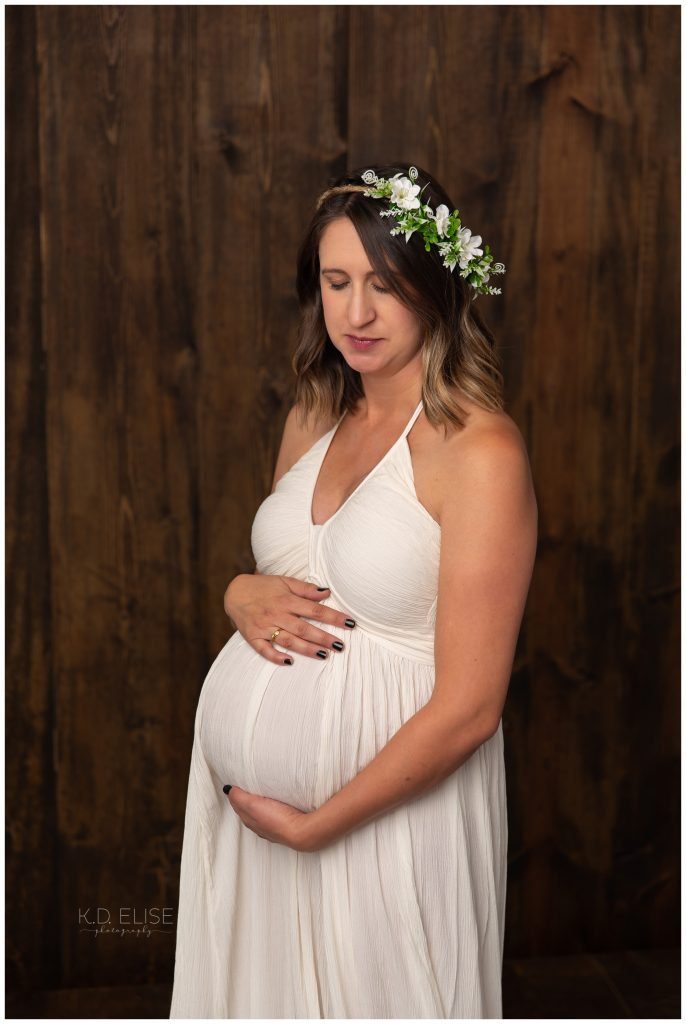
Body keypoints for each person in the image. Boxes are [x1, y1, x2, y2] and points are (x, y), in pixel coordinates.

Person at [169, 164, 537, 1019]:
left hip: (384, 824)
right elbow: (289, 588)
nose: (357, 314)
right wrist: (235, 592)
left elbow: (473, 708)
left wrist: (318, 824)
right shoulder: (312, 416)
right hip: (256, 827)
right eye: (337, 283)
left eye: (386, 286)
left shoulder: (480, 452)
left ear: (438, 292)